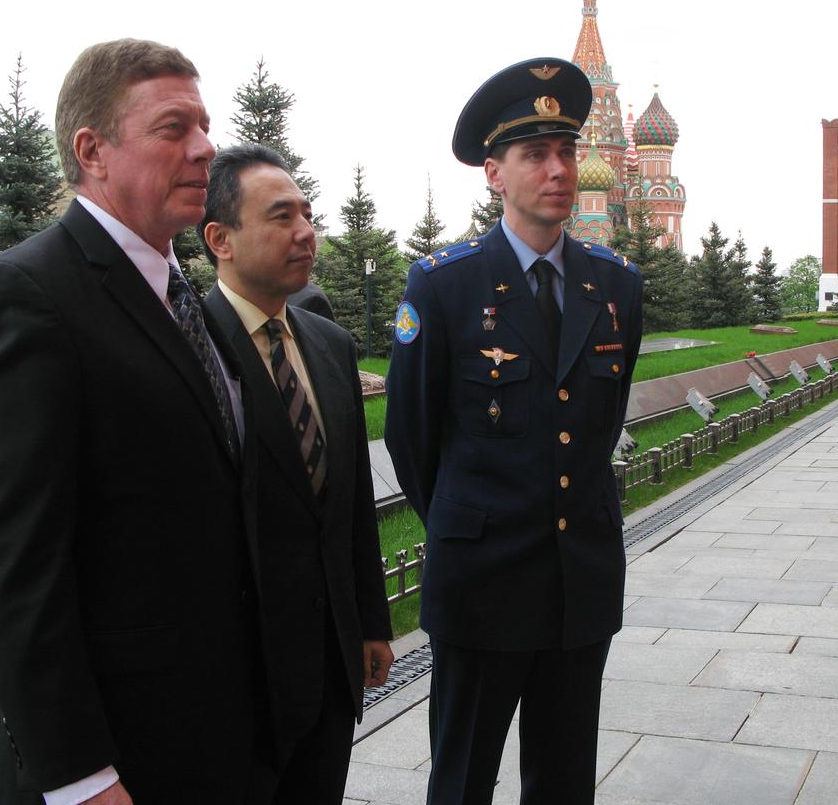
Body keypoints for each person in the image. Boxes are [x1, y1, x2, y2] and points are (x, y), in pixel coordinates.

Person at [0, 39, 261, 805]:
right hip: (114, 764)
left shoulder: (186, 297)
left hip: (214, 738)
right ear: (93, 151)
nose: (206, 148)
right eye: (173, 128)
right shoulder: (25, 294)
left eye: (206, 126)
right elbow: (12, 563)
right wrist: (79, 775)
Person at [385, 57, 643, 805]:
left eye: (566, 151)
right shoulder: (443, 286)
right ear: (494, 172)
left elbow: (604, 416)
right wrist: (474, 529)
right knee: (462, 780)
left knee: (564, 785)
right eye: (536, 155)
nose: (558, 170)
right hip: (482, 587)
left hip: (579, 585)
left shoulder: (616, 285)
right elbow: (412, 439)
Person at [198, 144, 392, 804]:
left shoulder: (327, 344)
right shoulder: (189, 347)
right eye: (281, 217)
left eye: (307, 214)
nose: (306, 232)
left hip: (330, 674)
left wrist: (369, 621)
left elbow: (353, 501)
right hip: (239, 683)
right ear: (219, 239)